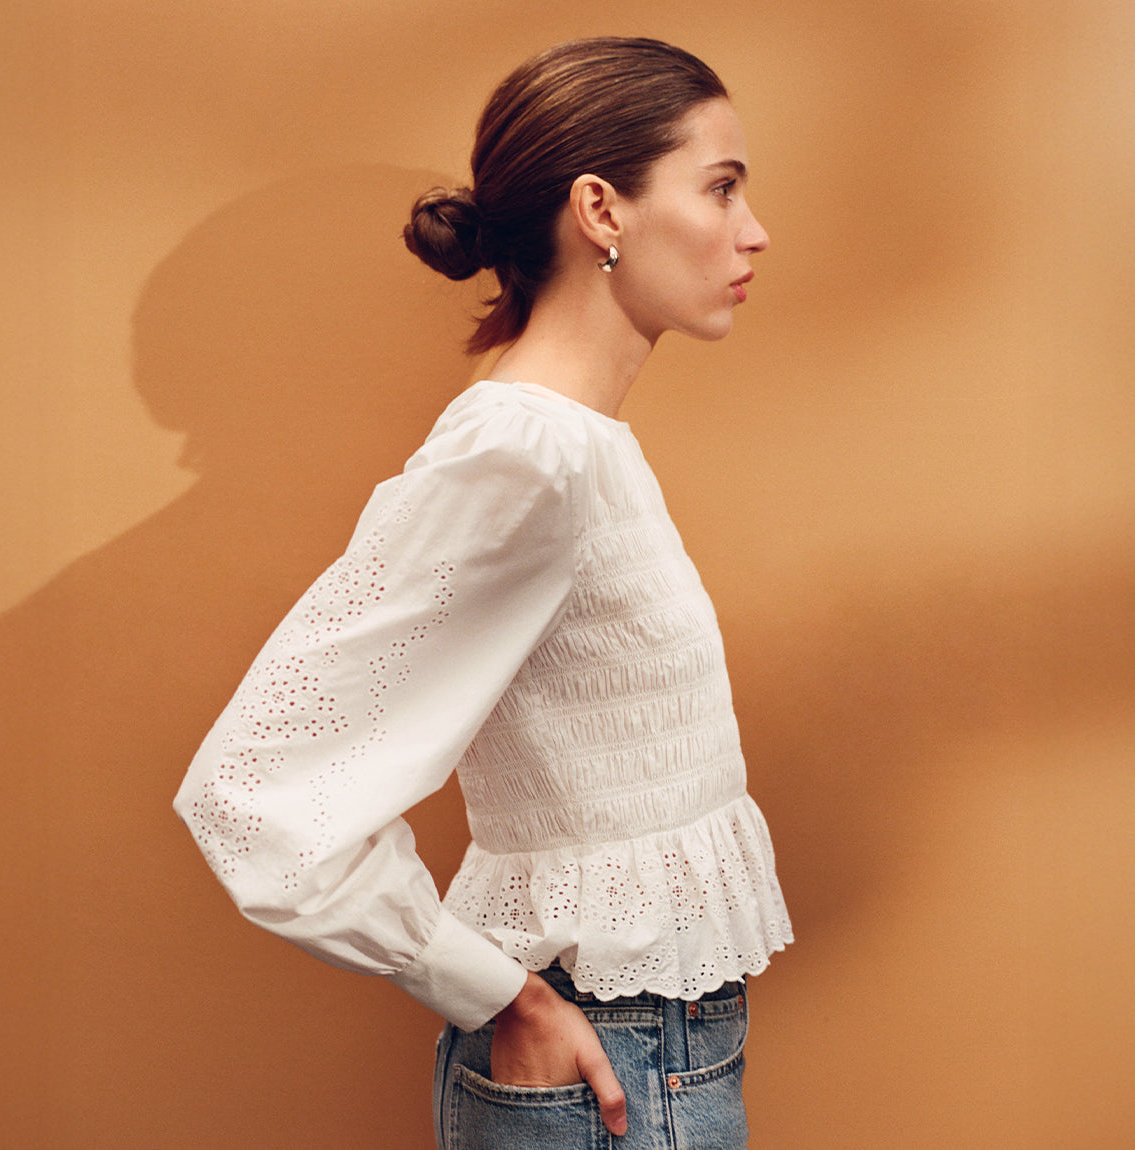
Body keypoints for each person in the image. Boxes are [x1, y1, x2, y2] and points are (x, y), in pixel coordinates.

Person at [175, 36, 792, 1149]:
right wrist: (499, 990)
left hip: (648, 1045)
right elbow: (250, 788)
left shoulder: (573, 444)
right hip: (614, 1059)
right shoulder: (524, 455)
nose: (753, 230)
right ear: (601, 210)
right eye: (720, 186)